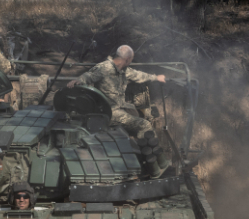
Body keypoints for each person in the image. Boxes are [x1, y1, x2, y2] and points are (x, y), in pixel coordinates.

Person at [67, 45, 171, 176]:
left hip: (120, 108)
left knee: (145, 117)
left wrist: (156, 78)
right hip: (109, 113)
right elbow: (88, 76)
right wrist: (78, 80)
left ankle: (151, 159)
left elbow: (139, 75)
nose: (131, 62)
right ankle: (150, 165)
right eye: (131, 59)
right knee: (144, 125)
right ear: (127, 59)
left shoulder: (124, 70)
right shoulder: (104, 68)